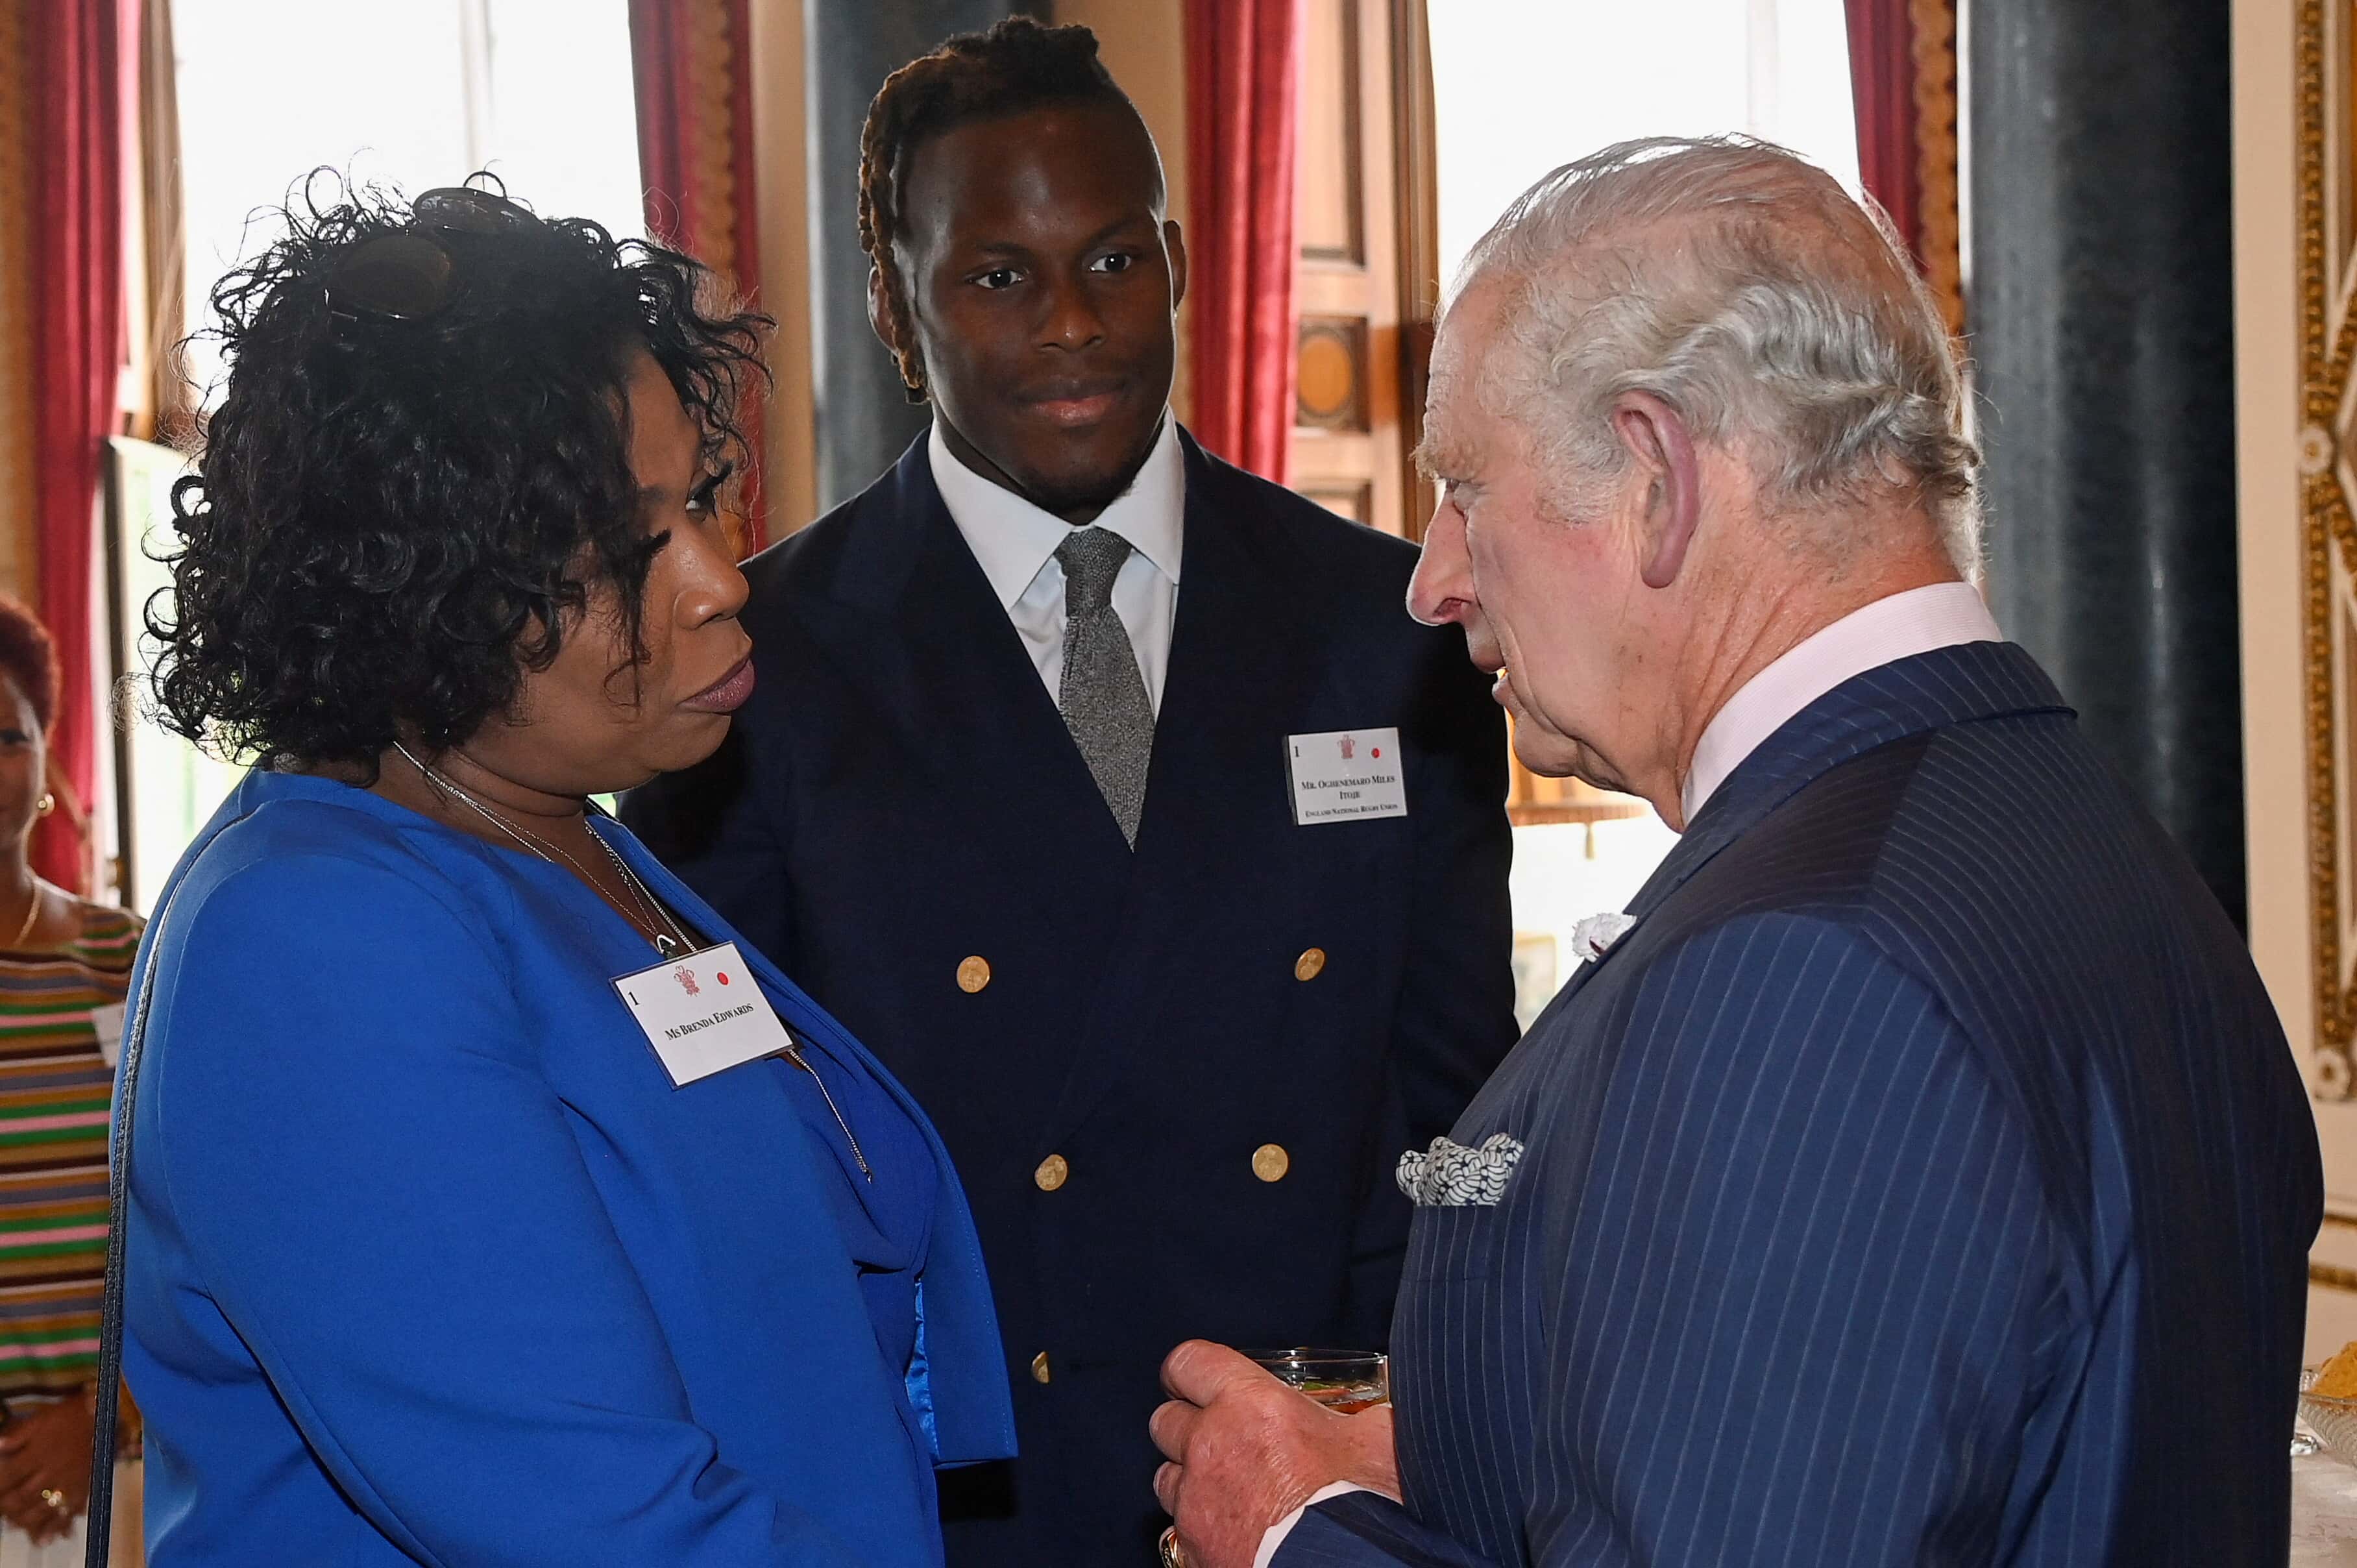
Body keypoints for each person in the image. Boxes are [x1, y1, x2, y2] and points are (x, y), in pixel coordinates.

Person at [1151, 136, 2323, 1567]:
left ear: (1656, 475)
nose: (1433, 578)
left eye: (1464, 486)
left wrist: (1295, 1530)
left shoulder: (1804, 969)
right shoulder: (2079, 831)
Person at [621, 18, 1519, 1567]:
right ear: (897, 310)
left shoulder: (1383, 629)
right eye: (996, 276)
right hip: (966, 1498)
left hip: (1319, 1478)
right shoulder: (759, 672)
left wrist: (1430, 1428)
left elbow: (1463, 1116)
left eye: (1112, 260)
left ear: (1176, 263)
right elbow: (738, 1178)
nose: (1071, 323)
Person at [119, 181, 1014, 1566]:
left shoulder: (559, 831)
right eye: (621, 550)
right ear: (415, 582)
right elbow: (600, 1520)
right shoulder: (313, 937)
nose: (720, 579)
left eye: (702, 500)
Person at [0, 596, 141, 1566]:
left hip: (121, 1477)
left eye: (5, 737)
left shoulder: (133, 964)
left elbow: (212, 1230)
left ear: (46, 758)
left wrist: (106, 1412)